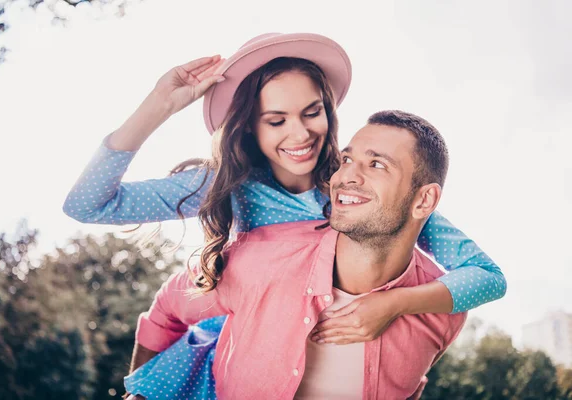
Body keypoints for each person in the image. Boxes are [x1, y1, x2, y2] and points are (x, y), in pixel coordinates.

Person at [62, 33, 506, 399]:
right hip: (237, 353)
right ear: (250, 127)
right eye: (276, 120)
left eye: (312, 113)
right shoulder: (226, 185)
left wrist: (391, 303)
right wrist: (158, 104)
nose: (301, 134)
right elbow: (88, 204)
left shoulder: (359, 191)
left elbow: (486, 276)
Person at [128, 110, 468, 399]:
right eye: (347, 159)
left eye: (376, 164)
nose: (346, 175)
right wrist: (143, 385)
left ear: (423, 201)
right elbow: (168, 309)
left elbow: (410, 385)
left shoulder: (444, 312)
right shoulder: (260, 258)